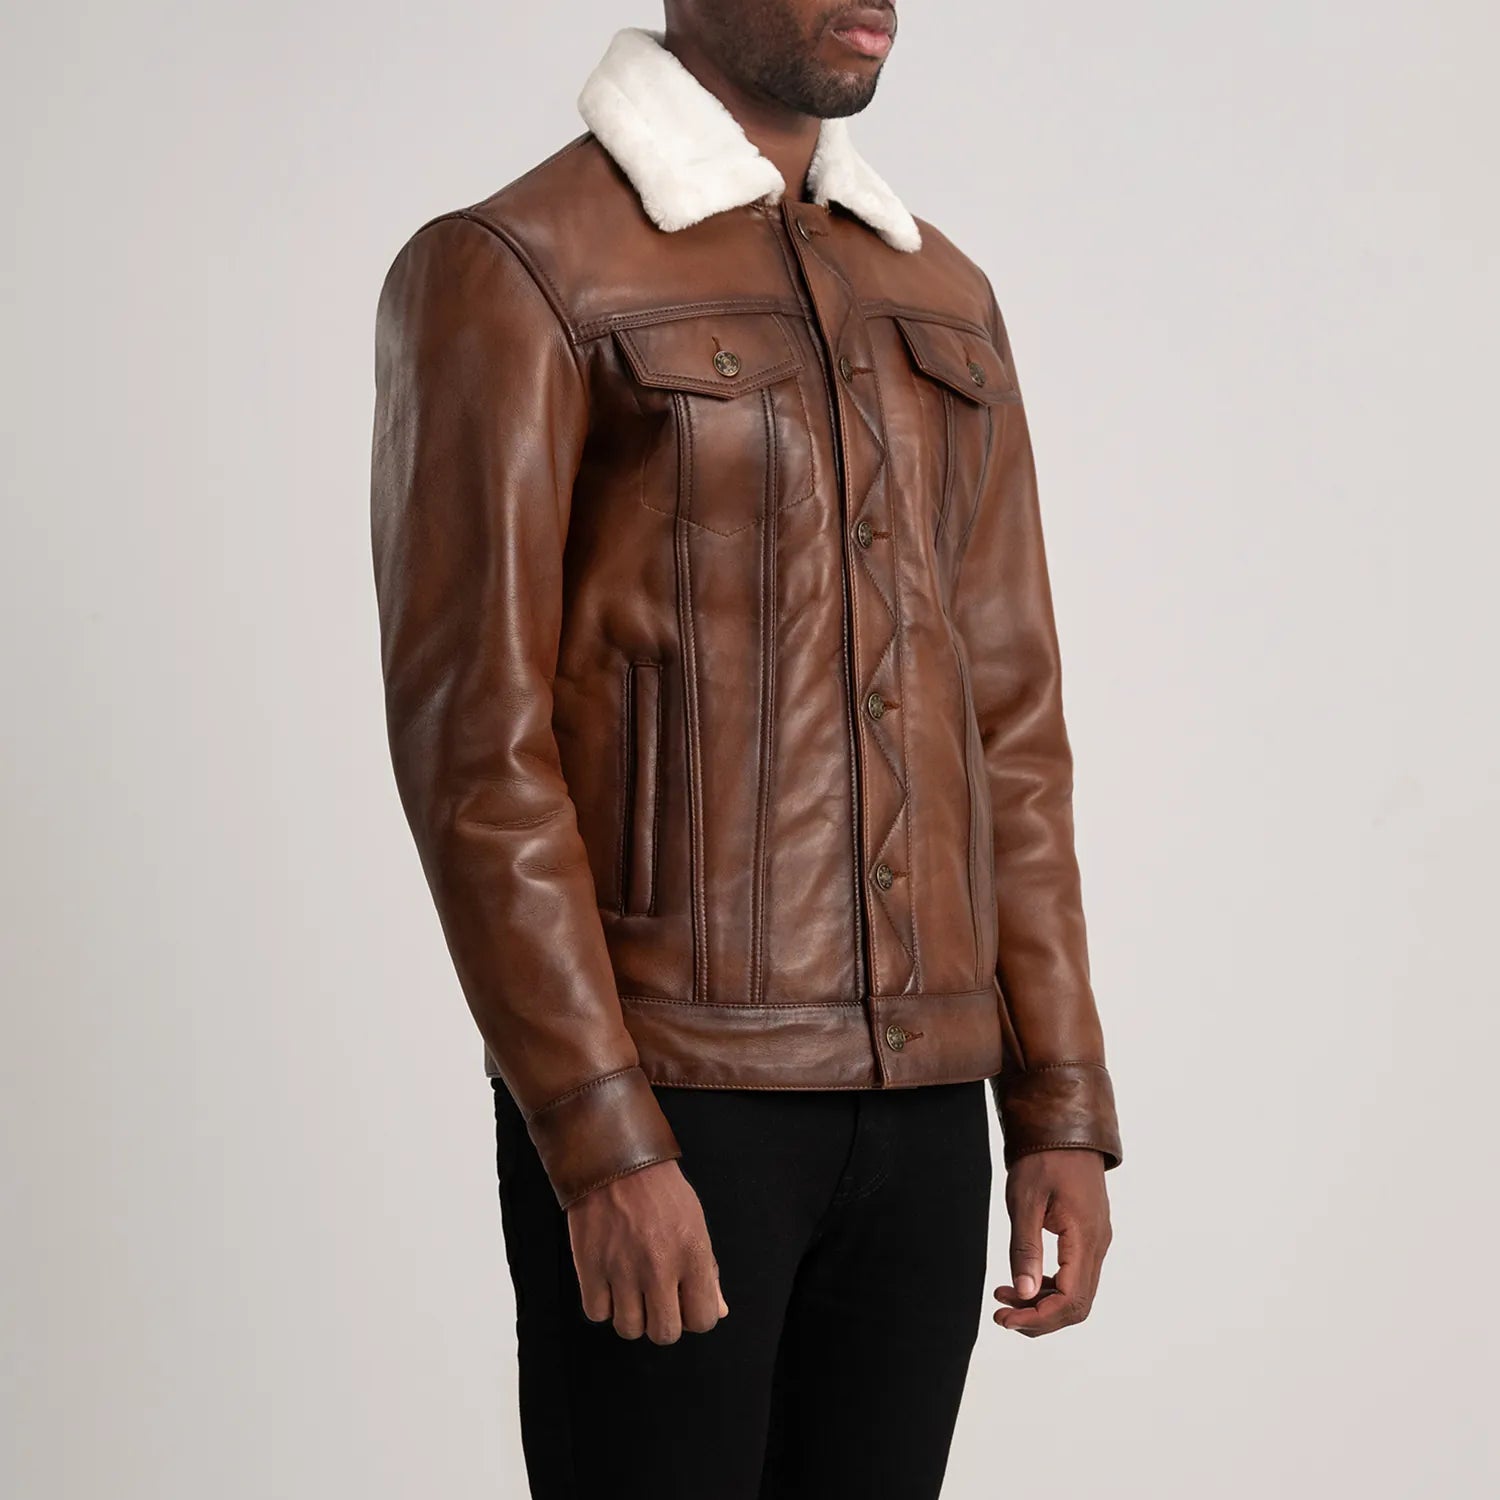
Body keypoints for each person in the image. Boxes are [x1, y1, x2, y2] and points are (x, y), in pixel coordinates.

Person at [369, 4, 1125, 1496]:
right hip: (674, 1100)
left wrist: (1059, 1099)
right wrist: (600, 1136)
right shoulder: (516, 267)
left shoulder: (943, 294)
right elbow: (476, 753)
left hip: (928, 1108)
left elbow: (1011, 726)